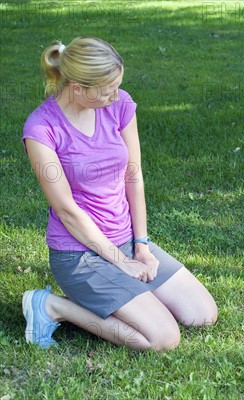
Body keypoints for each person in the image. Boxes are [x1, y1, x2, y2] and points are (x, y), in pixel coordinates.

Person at [21, 36, 218, 350]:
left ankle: (132, 295)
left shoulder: (120, 105)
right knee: (163, 339)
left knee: (202, 315)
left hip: (126, 241)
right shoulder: (42, 129)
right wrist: (119, 262)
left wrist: (141, 245)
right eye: (107, 90)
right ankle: (54, 307)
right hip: (80, 255)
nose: (115, 95)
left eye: (117, 85)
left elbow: (133, 175)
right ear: (77, 89)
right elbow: (67, 210)